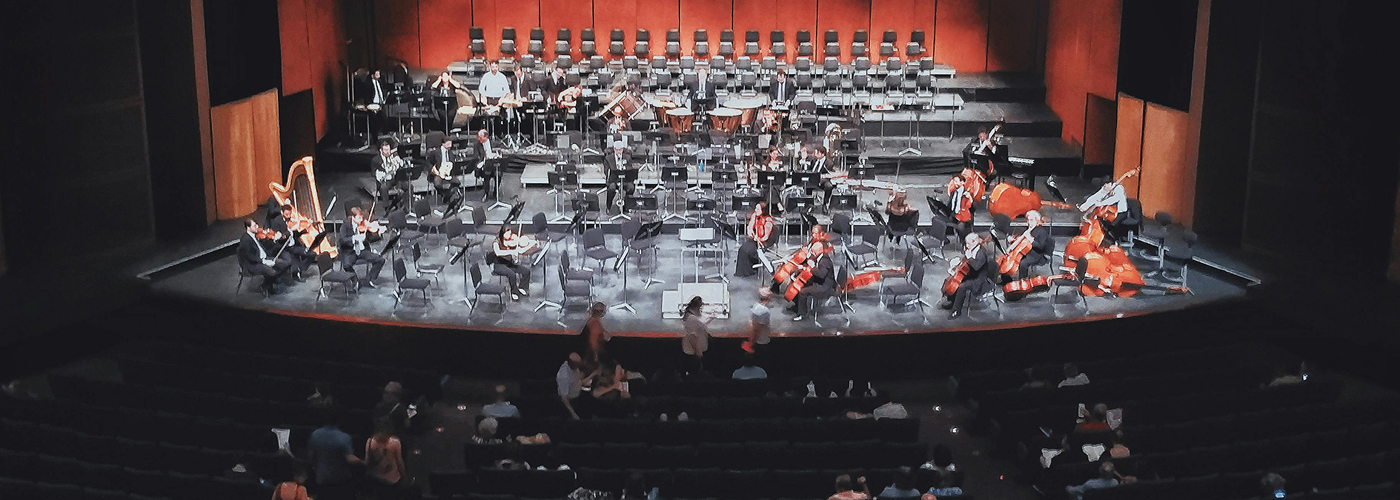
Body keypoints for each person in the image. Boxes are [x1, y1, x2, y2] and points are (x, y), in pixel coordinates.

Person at [306, 408, 362, 500]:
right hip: (340, 480)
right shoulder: (344, 437)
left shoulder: (315, 435)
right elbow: (349, 459)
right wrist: (363, 461)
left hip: (322, 479)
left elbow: (311, 457)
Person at [943, 233, 994, 320]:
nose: (967, 246)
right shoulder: (973, 249)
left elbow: (976, 267)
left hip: (979, 280)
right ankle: (952, 301)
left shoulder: (982, 252)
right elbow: (966, 263)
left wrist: (969, 257)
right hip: (971, 273)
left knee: (961, 287)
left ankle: (956, 311)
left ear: (974, 242)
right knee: (954, 280)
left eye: (968, 243)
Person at [239, 219, 294, 294]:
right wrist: (264, 262)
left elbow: (263, 250)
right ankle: (266, 285)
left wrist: (275, 242)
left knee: (285, 264)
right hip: (254, 264)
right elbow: (250, 257)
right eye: (254, 226)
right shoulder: (245, 240)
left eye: (257, 224)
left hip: (264, 258)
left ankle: (271, 283)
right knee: (272, 272)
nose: (257, 227)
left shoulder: (255, 236)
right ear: (248, 228)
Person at [337, 206, 386, 287]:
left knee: (380, 260)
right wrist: (354, 238)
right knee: (347, 265)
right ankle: (355, 280)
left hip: (362, 250)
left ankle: (369, 279)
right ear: (353, 217)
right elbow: (342, 240)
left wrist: (379, 234)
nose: (361, 220)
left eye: (362, 218)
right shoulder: (345, 225)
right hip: (350, 251)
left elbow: (370, 239)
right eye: (359, 218)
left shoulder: (363, 225)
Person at [789, 240, 835, 322]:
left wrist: (813, 267)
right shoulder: (819, 256)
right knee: (799, 284)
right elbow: (811, 261)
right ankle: (798, 306)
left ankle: (802, 314)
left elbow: (821, 275)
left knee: (802, 292)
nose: (812, 253)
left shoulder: (825, 261)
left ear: (818, 251)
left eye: (813, 252)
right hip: (820, 281)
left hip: (825, 286)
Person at [492, 227, 537, 299]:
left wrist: (531, 244)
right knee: (512, 274)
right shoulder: (496, 242)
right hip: (499, 265)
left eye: (510, 233)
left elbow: (521, 250)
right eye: (507, 234)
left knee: (526, 271)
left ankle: (522, 288)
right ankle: (514, 292)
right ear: (502, 233)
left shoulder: (511, 241)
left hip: (509, 264)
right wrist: (511, 251)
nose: (510, 236)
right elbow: (498, 252)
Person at [365, 422, 406, 500]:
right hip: (392, 480)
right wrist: (403, 477)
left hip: (376, 478)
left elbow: (367, 462)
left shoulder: (370, 441)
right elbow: (399, 462)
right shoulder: (394, 442)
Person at [736, 201, 775, 277]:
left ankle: (749, 271)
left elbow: (766, 236)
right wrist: (750, 232)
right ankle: (743, 272)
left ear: (763, 210)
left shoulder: (768, 220)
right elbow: (750, 227)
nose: (755, 210)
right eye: (755, 208)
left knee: (747, 250)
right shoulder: (754, 215)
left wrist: (759, 239)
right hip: (755, 239)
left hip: (764, 242)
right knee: (743, 249)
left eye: (758, 209)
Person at [429, 137, 462, 207]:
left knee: (457, 182)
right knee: (437, 183)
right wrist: (434, 170)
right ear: (443, 144)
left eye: (451, 143)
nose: (450, 145)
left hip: (448, 173)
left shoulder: (451, 153)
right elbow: (429, 162)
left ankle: (447, 196)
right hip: (438, 173)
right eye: (448, 143)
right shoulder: (436, 152)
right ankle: (444, 194)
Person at [603, 141, 635, 213]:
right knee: (611, 188)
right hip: (613, 180)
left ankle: (627, 206)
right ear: (614, 149)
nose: (618, 151)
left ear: (622, 149)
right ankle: (608, 206)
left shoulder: (627, 157)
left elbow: (630, 169)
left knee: (631, 187)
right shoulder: (608, 158)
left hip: (625, 179)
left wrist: (624, 168)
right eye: (616, 149)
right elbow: (606, 171)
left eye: (620, 149)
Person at [682, 296, 712, 367]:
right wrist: (698, 353)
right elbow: (692, 337)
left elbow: (701, 326)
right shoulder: (692, 319)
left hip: (695, 352)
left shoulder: (692, 318)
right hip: (694, 354)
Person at [557, 353, 588, 419]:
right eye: (577, 364)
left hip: (579, 395)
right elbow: (564, 397)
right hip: (571, 402)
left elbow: (578, 379)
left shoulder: (575, 369)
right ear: (572, 364)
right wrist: (573, 414)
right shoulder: (564, 375)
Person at [744, 287, 774, 352]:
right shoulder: (764, 311)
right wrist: (752, 343)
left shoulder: (756, 306)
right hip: (762, 341)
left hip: (757, 340)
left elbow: (751, 324)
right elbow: (758, 328)